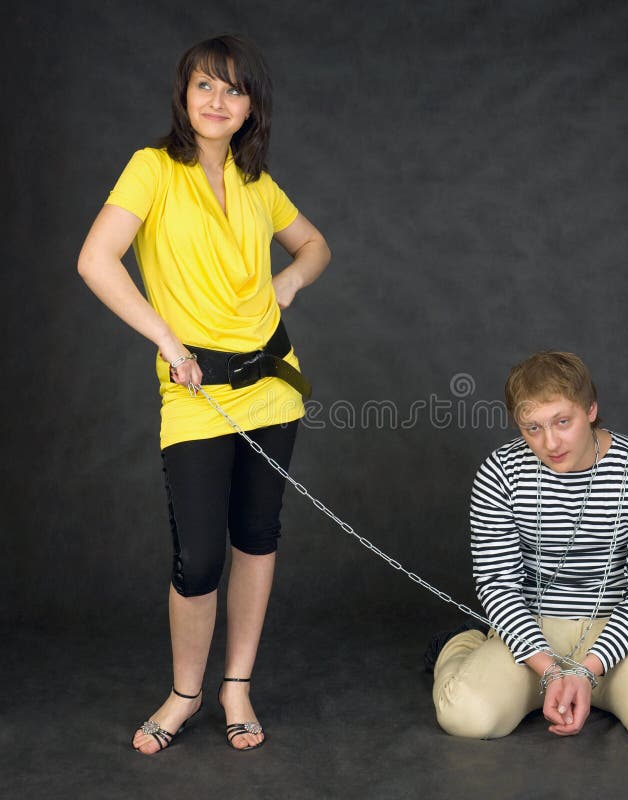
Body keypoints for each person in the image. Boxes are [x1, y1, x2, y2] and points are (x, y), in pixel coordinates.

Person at [78, 35, 330, 754]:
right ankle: (186, 693)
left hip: (273, 390)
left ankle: (236, 687)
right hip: (196, 394)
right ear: (184, 95)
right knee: (199, 560)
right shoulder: (152, 169)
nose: (218, 101)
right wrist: (166, 339)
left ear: (252, 107)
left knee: (257, 538)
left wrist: (286, 284)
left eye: (234, 90)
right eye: (205, 87)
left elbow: (316, 246)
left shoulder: (258, 181)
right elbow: (96, 259)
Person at [427, 351, 628, 743]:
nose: (549, 442)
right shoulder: (499, 473)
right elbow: (497, 583)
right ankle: (464, 641)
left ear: (591, 409)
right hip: (530, 633)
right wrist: (550, 670)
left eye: (562, 422)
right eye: (532, 428)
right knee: (465, 716)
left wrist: (587, 669)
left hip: (614, 632)